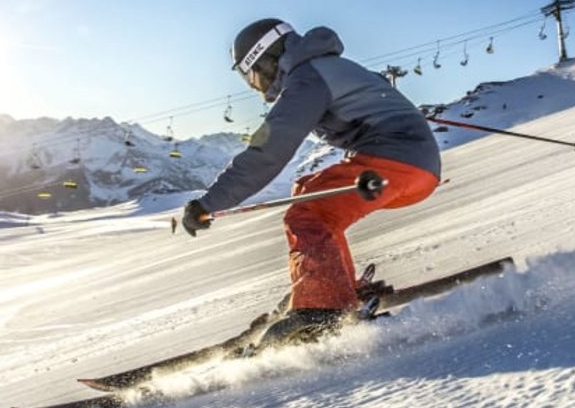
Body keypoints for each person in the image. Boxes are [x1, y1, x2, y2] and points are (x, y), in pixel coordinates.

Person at [182, 18, 442, 344]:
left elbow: (269, 151)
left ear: (267, 59)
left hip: (396, 162)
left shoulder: (306, 80)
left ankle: (324, 308)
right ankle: (335, 287)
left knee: (308, 213)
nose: (254, 86)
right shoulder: (325, 66)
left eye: (251, 75)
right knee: (306, 192)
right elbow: (377, 89)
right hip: (413, 165)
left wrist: (209, 203)